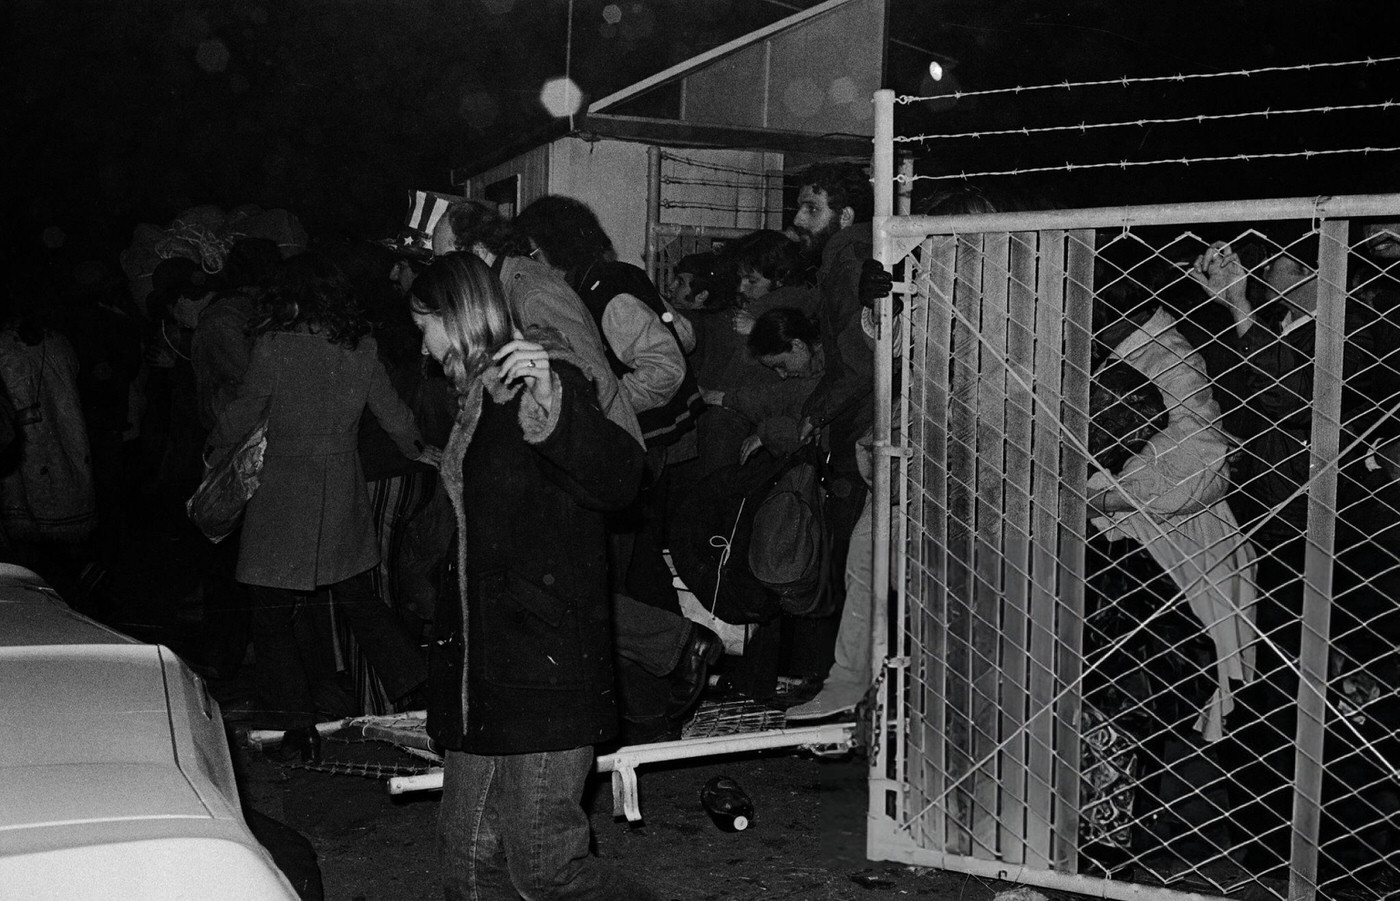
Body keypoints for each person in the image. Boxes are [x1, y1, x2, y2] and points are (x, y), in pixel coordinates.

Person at [407, 252, 661, 901]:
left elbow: (619, 477)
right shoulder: (470, 397)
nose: (422, 344)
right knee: (466, 862)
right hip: (484, 671)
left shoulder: (538, 376)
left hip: (544, 671)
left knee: (547, 868)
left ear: (459, 315)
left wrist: (554, 406)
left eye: (425, 324)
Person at [432, 197, 721, 741]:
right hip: (576, 463)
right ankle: (654, 708)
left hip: (587, 465)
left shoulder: (531, 290)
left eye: (445, 257)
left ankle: (676, 653)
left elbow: (580, 380)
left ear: (474, 250)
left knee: (570, 598)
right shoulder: (514, 286)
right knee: (589, 593)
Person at [209, 251, 433, 725]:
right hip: (339, 491)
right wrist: (419, 450)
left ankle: (293, 723)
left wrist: (213, 451)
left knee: (270, 615)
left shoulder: (273, 346)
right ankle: (418, 682)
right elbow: (393, 414)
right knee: (358, 599)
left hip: (283, 495)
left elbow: (246, 411)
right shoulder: (362, 347)